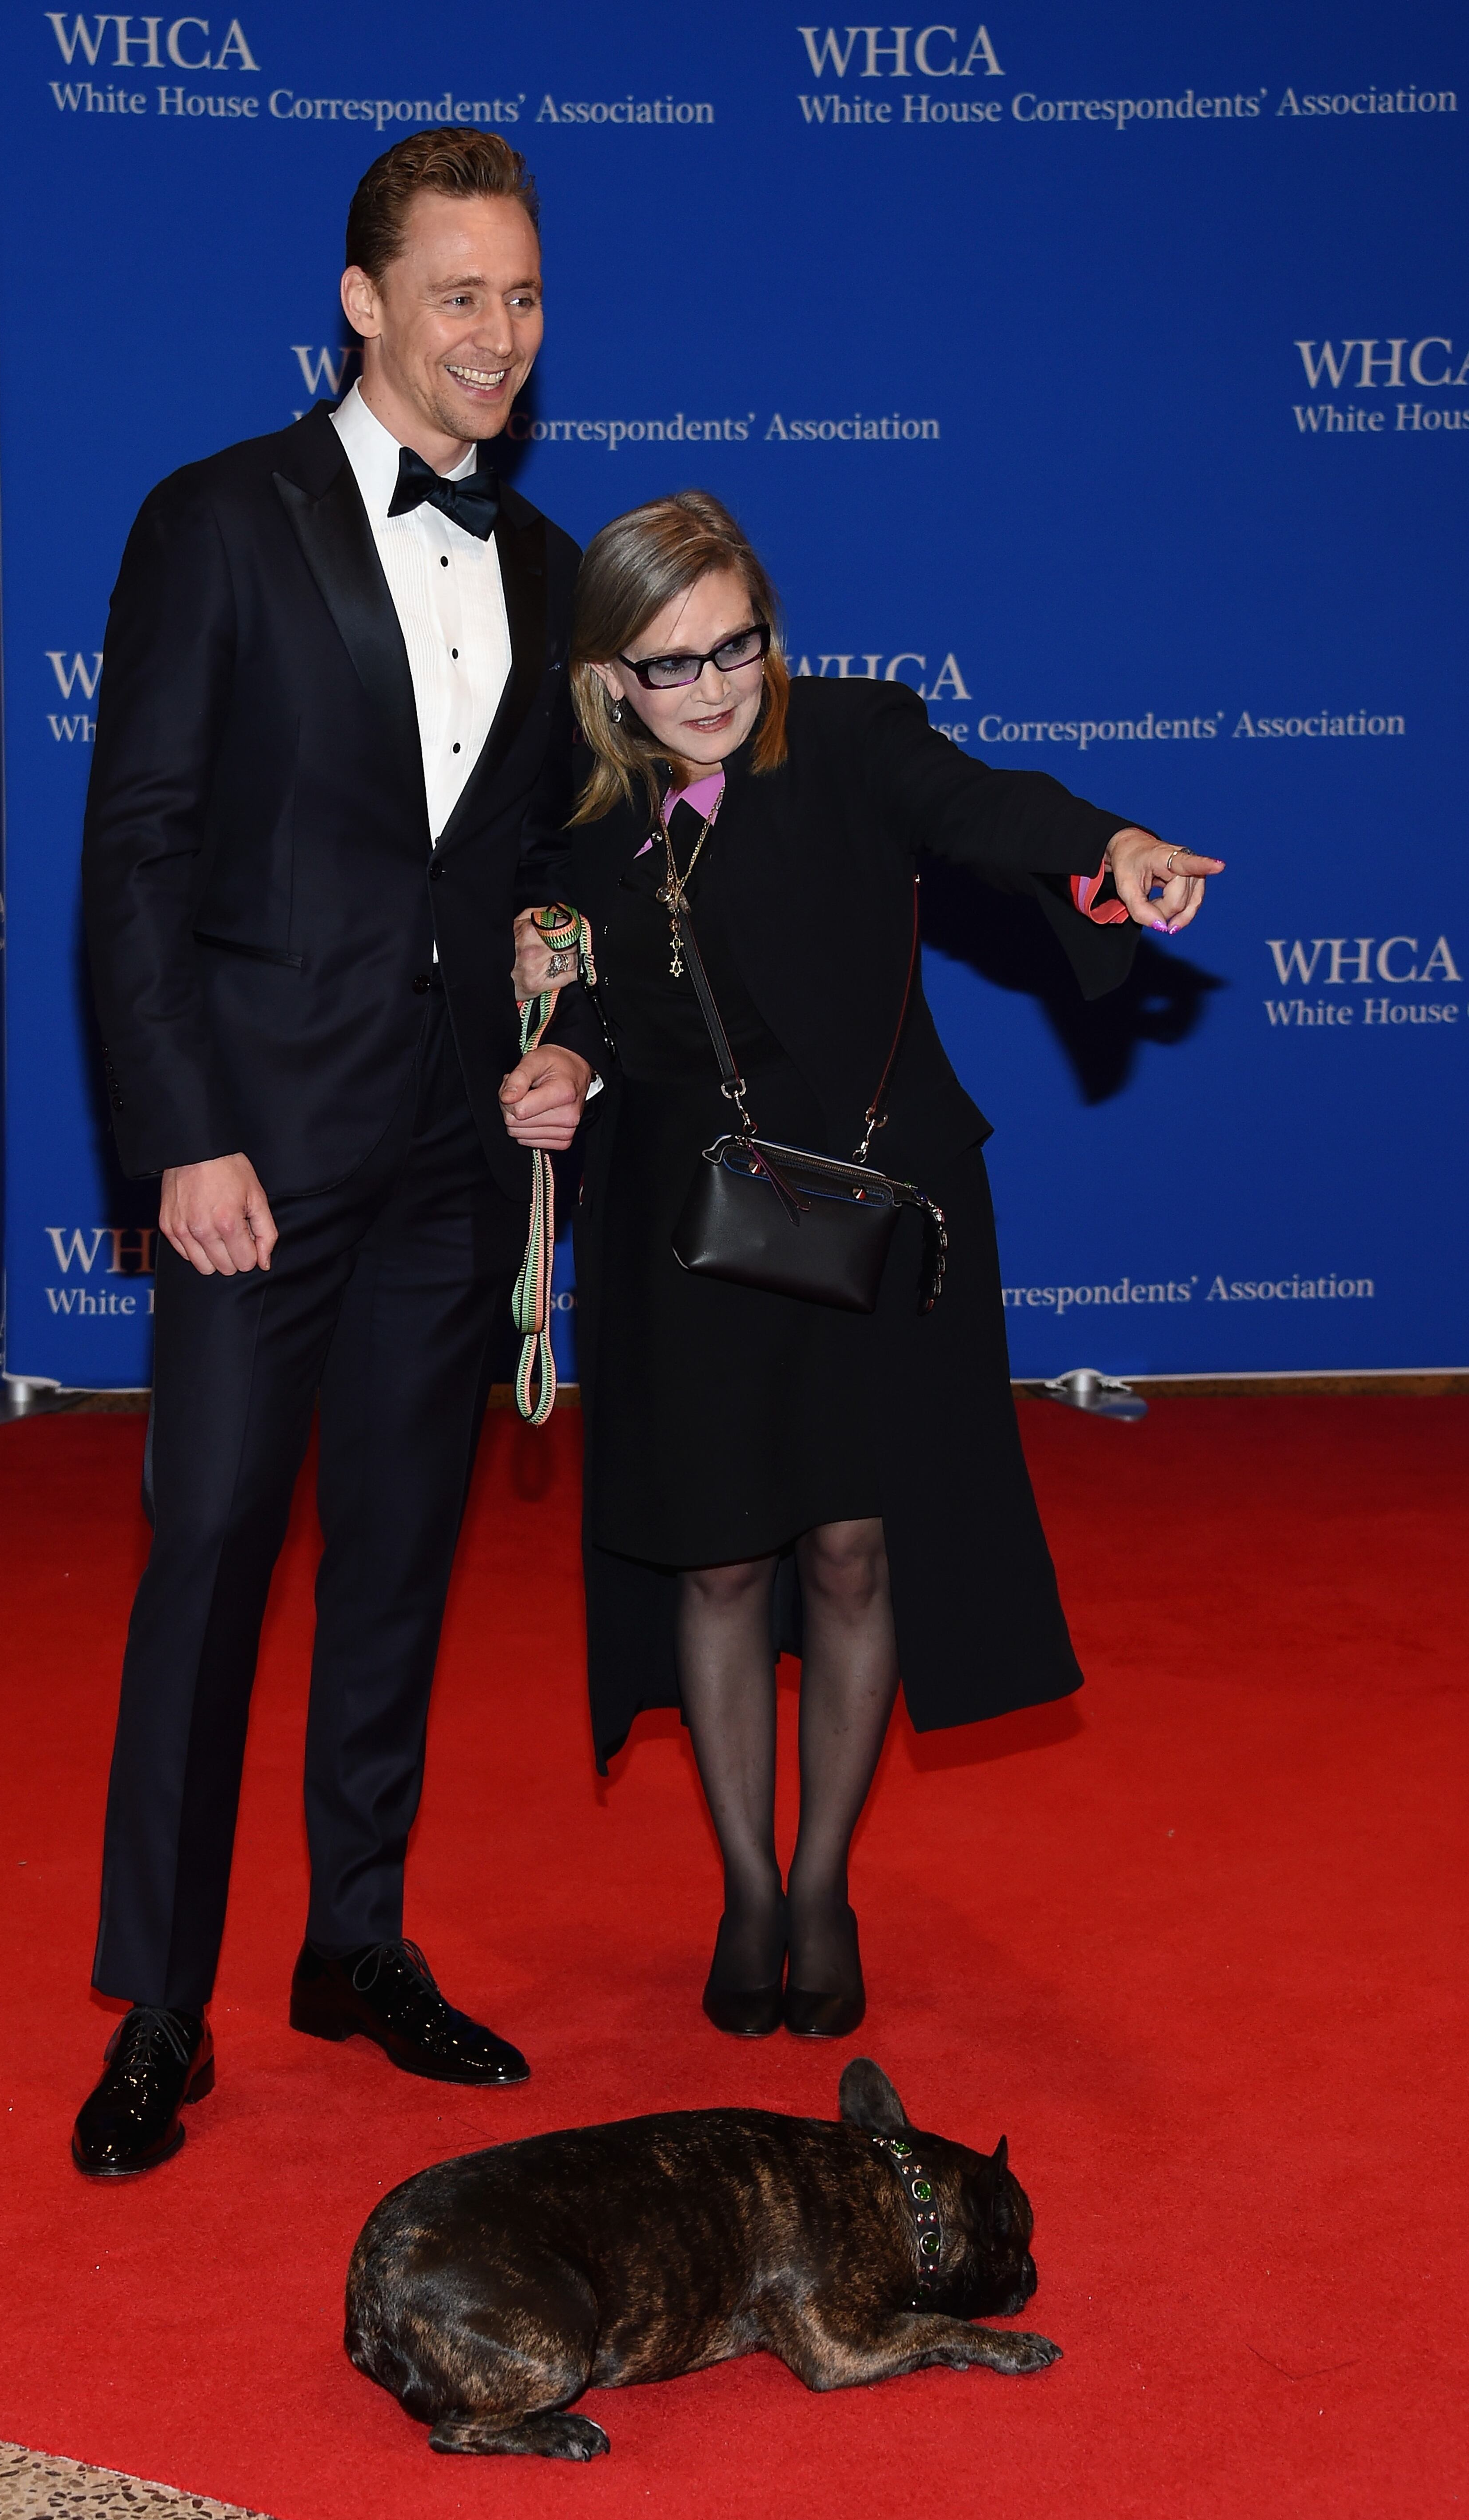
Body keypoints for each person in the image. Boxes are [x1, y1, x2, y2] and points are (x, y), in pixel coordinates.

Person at [516, 491, 1220, 2040]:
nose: (711, 689)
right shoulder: (577, 823)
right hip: (688, 1233)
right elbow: (579, 995)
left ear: (774, 630)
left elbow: (985, 806)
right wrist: (557, 1064)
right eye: (669, 664)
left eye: (737, 648)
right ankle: (747, 1886)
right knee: (712, 1558)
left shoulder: (847, 738)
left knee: (851, 1551)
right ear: (606, 678)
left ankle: (821, 1884)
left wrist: (1111, 844)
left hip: (872, 1206)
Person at [72, 130, 601, 2178]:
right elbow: (137, 859)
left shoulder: (547, 566)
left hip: (450, 1162)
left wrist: (559, 1058)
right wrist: (181, 1137)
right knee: (209, 1552)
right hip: (255, 1164)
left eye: (527, 297)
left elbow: (543, 877)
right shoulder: (213, 518)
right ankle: (162, 2008)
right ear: (365, 303)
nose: (498, 336)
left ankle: (354, 1940)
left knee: (398, 1558)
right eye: (460, 295)